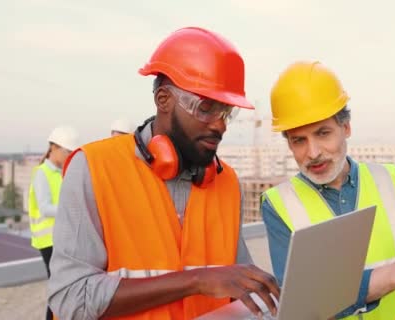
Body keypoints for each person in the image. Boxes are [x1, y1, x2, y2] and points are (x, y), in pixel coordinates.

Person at [47, 27, 280, 320]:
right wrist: (196, 281)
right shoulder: (94, 168)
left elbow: (234, 284)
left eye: (226, 112)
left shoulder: (227, 182)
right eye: (206, 108)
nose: (220, 125)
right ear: (164, 100)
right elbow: (71, 299)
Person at [261, 61, 395, 319]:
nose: (313, 152)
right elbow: (302, 306)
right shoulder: (277, 204)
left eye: (323, 133)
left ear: (346, 128)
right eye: (299, 140)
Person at [28, 125, 80, 320]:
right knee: (59, 286)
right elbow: (45, 208)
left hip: (61, 239)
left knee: (62, 285)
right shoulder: (42, 173)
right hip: (48, 240)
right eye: (67, 152)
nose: (69, 156)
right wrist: (74, 210)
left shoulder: (61, 173)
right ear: (54, 148)